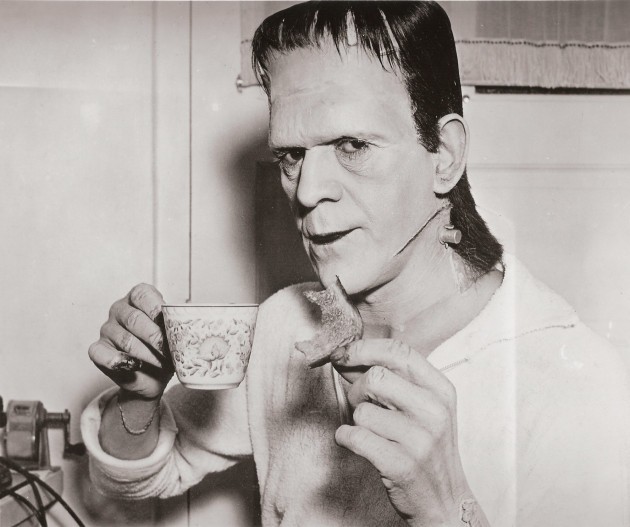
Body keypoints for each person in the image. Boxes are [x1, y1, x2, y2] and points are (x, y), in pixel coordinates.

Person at [81, 2, 630, 525]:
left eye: (352, 145)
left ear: (444, 156)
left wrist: (446, 511)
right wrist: (138, 396)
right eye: (291, 156)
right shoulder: (285, 326)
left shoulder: (584, 390)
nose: (307, 192)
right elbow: (145, 473)